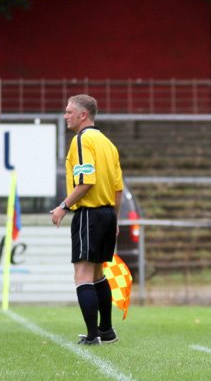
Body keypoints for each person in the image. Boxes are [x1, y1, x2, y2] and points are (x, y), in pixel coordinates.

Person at [51, 94, 124, 345]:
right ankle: (106, 330)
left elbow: (86, 181)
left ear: (83, 115)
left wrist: (63, 206)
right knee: (97, 275)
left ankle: (93, 336)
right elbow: (118, 188)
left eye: (69, 111)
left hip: (89, 213)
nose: (65, 115)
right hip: (106, 214)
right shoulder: (107, 143)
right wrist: (115, 219)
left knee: (82, 276)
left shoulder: (82, 140)